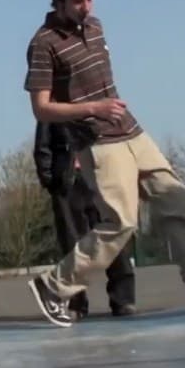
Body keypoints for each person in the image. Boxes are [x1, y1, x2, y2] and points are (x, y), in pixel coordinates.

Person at [23, 0, 185, 327]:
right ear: (58, 2)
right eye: (78, 1)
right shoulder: (43, 43)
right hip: (97, 142)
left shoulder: (96, 27)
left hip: (132, 132)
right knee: (121, 222)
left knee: (175, 200)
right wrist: (93, 108)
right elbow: (41, 108)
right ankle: (53, 286)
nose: (86, 7)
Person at [33, 120, 136, 319]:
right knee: (71, 243)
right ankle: (77, 303)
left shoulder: (100, 108)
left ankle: (124, 299)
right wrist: (51, 181)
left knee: (114, 237)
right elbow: (42, 147)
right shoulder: (52, 110)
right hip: (68, 181)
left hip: (102, 177)